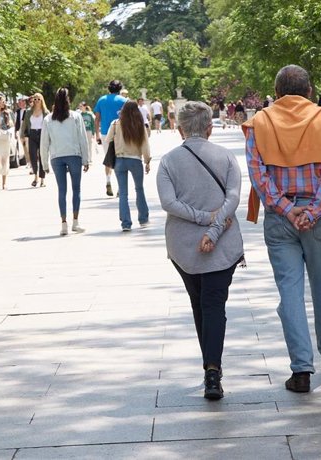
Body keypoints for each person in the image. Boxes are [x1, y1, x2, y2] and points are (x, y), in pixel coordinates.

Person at [242, 64, 321, 393]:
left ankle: (301, 369)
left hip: (280, 218)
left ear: (276, 94)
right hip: (320, 218)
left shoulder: (258, 124)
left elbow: (258, 176)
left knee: (289, 292)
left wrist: (289, 211)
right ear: (309, 90)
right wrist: (313, 211)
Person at [156, 101, 244, 400]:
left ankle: (210, 367)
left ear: (179, 129)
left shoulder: (168, 161)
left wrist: (201, 220)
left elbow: (168, 202)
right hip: (223, 245)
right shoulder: (227, 157)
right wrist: (215, 226)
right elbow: (233, 198)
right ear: (210, 128)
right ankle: (213, 370)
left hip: (183, 246)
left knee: (199, 303)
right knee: (214, 305)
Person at [40, 88, 91, 236]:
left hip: (56, 156)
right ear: (68, 100)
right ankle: (75, 222)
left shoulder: (48, 119)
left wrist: (44, 164)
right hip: (74, 155)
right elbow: (83, 139)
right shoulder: (76, 116)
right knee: (76, 189)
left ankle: (63, 224)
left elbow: (44, 143)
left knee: (62, 191)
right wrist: (86, 159)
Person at [104, 101, 151, 231]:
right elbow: (145, 145)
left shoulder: (115, 123)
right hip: (135, 160)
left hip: (119, 160)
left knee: (123, 193)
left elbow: (108, 140)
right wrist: (147, 161)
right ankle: (143, 219)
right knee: (139, 189)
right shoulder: (139, 125)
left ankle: (126, 223)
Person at [95, 80, 127, 197]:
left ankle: (108, 180)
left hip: (105, 133)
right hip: (120, 132)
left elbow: (97, 118)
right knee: (120, 158)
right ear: (120, 89)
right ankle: (120, 186)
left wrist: (97, 134)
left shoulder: (101, 100)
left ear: (109, 88)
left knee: (108, 158)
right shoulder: (124, 101)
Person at [20, 93, 49, 187]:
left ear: (42, 100)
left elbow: (49, 126)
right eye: (35, 99)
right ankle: (35, 177)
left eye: (38, 99)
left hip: (42, 134)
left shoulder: (46, 112)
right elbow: (24, 124)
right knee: (32, 155)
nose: (36, 101)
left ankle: (42, 179)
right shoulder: (29, 112)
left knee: (42, 156)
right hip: (32, 134)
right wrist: (22, 135)